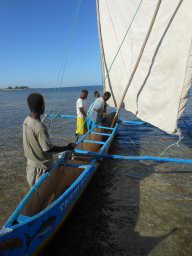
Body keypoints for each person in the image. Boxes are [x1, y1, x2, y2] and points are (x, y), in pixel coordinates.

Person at [23, 93, 75, 187]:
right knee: (41, 196)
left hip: (30, 166)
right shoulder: (39, 127)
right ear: (42, 106)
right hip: (40, 169)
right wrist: (67, 147)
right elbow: (48, 149)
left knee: (34, 195)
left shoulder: (26, 120)